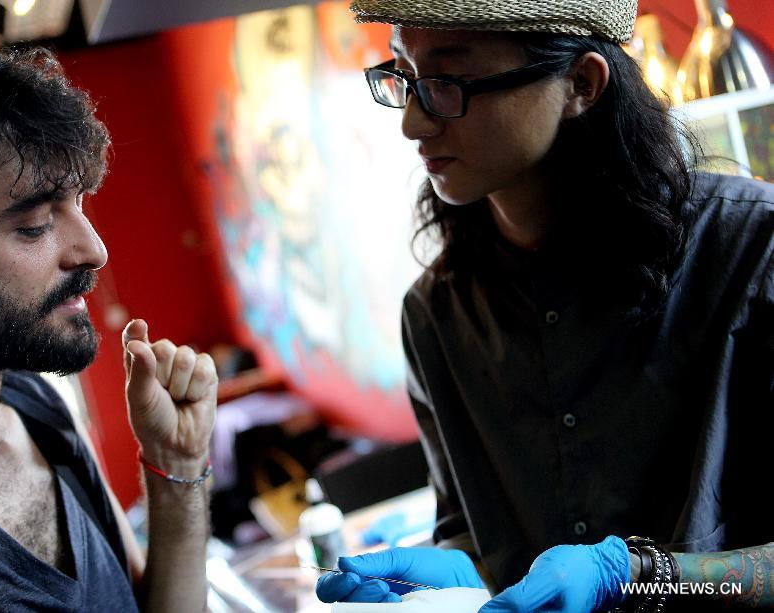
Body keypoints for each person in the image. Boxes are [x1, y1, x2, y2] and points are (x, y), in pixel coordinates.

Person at [317, 0, 773, 611]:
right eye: (404, 76)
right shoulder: (435, 317)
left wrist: (638, 574)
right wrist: (452, 580)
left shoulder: (752, 253)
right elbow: (471, 530)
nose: (414, 124)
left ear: (580, 84)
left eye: (448, 82)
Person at [0, 18, 216, 612]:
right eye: (33, 225)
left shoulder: (37, 409)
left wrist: (176, 466)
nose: (93, 250)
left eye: (77, 203)